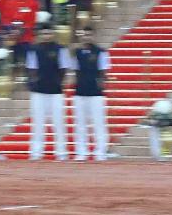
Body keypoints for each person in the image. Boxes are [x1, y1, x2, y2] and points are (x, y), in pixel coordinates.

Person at [26, 21, 70, 161]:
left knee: (59, 123)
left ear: (53, 34)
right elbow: (31, 69)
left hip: (56, 91)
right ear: (40, 34)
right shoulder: (33, 50)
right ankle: (36, 152)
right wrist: (35, 83)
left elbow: (64, 69)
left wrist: (57, 82)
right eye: (44, 33)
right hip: (38, 91)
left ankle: (61, 153)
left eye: (49, 33)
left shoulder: (61, 49)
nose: (46, 35)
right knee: (38, 123)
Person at [66, 26, 111, 161]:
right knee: (80, 123)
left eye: (89, 35)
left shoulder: (101, 52)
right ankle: (81, 151)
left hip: (96, 93)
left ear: (94, 36)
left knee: (98, 123)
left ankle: (100, 151)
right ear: (82, 36)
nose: (87, 37)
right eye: (85, 35)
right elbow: (74, 71)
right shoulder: (76, 53)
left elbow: (104, 71)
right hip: (80, 92)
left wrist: (102, 85)